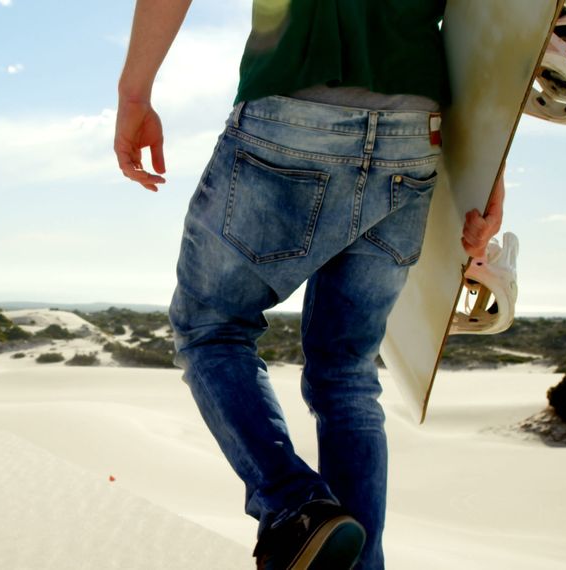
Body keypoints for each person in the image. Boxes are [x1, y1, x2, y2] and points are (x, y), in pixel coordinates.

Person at [114, 1, 503, 568]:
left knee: (210, 328)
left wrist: (134, 96)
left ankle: (296, 508)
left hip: (291, 113)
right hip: (413, 135)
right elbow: (497, 20)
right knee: (347, 373)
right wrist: (494, 169)